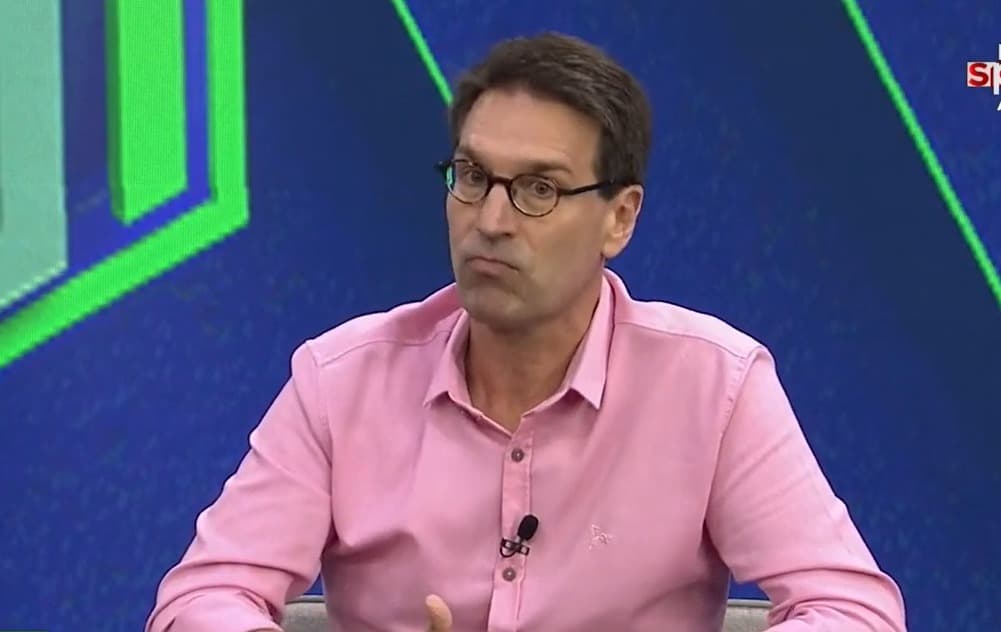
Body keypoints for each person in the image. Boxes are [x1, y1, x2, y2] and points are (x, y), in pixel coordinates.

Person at [146, 32, 906, 632]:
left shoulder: (714, 386)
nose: (491, 220)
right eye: (473, 177)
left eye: (538, 188)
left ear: (619, 217)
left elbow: (852, 610)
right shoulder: (340, 382)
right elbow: (202, 599)